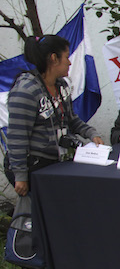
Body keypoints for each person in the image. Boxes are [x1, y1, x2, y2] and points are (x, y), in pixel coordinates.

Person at [6, 35, 103, 196]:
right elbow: (17, 136)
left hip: (54, 162)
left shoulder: (62, 85)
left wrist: (91, 134)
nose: (70, 62)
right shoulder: (26, 90)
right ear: (54, 58)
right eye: (66, 56)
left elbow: (72, 119)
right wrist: (21, 176)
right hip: (32, 166)